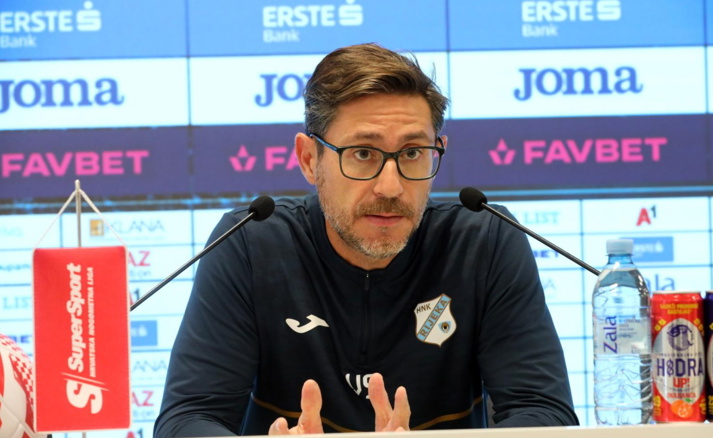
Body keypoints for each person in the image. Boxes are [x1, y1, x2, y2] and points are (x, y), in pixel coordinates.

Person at [154, 43, 579, 437]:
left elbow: (544, 412)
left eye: (412, 152)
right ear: (309, 159)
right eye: (362, 153)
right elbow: (188, 418)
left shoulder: (484, 243)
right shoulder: (252, 244)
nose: (390, 187)